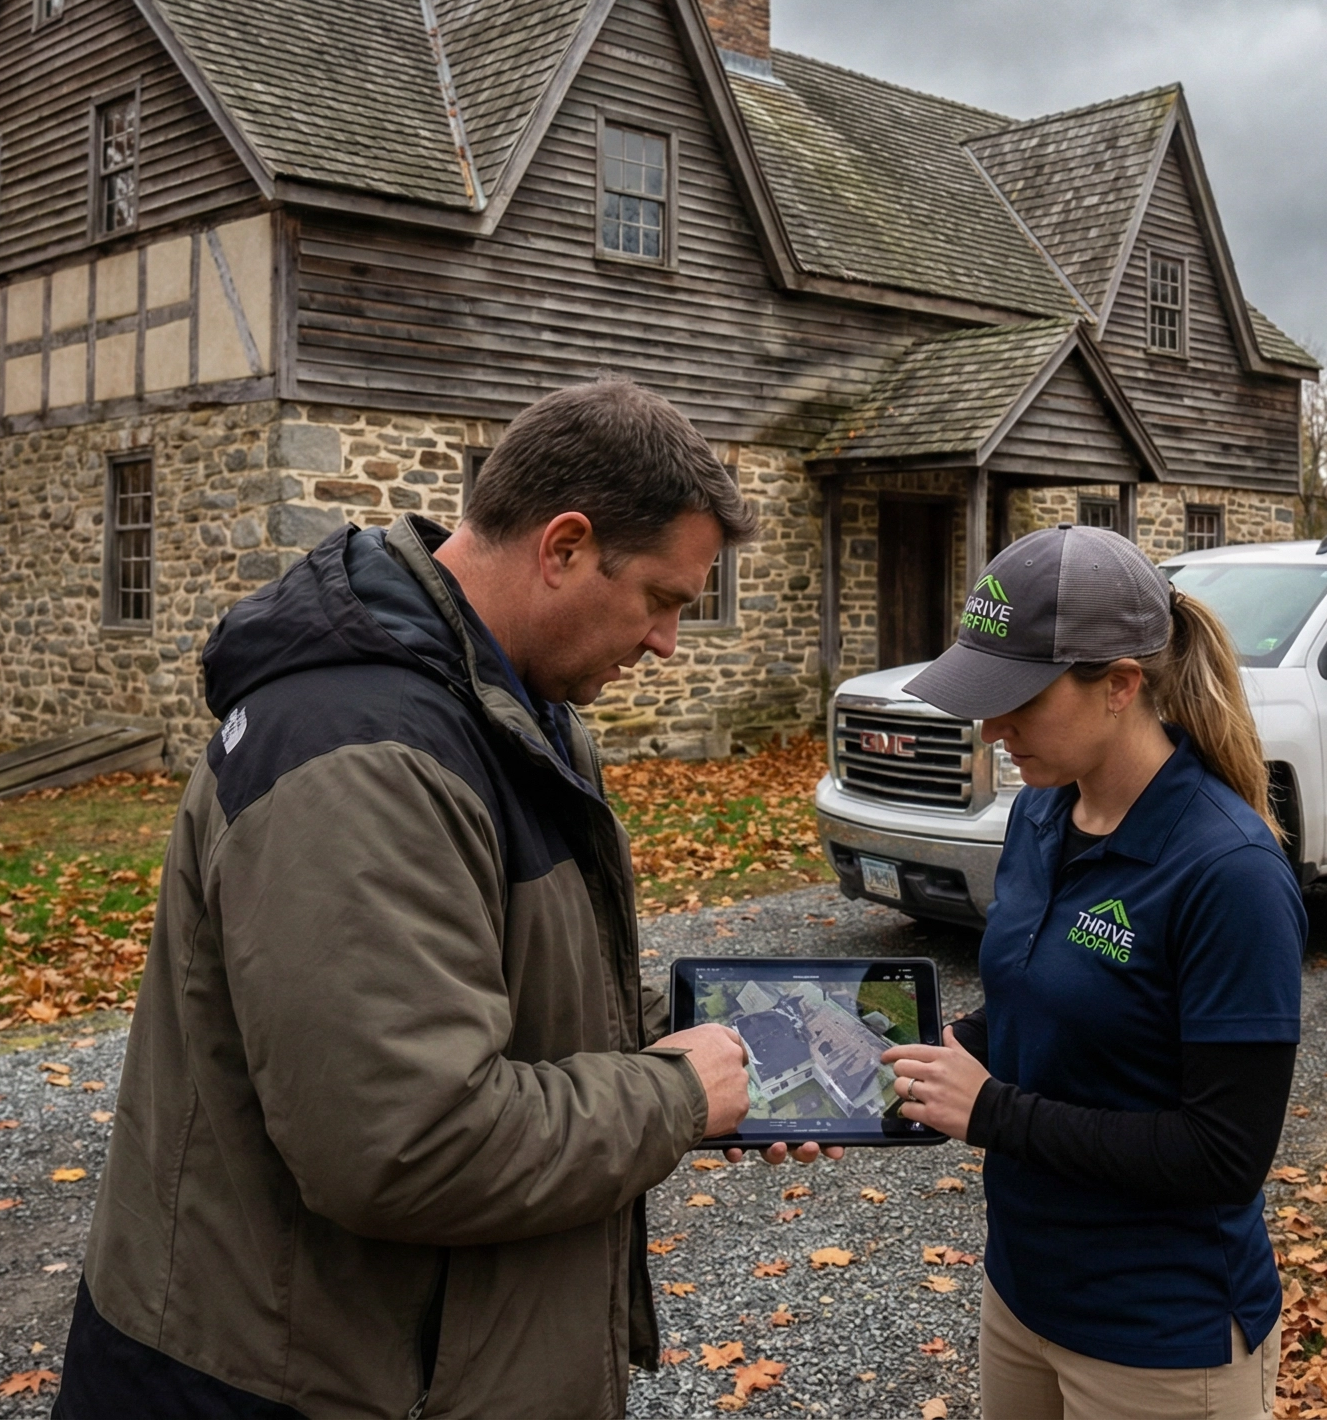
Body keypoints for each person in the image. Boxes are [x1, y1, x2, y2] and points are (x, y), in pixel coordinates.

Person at [56, 378, 823, 1420]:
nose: (666, 644)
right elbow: (405, 1140)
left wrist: (711, 1042)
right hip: (282, 1385)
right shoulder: (359, 752)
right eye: (662, 597)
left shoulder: (508, 708)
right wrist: (675, 1096)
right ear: (562, 546)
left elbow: (487, 991)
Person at [881, 524, 1306, 1420]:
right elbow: (1036, 1012)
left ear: (1119, 686)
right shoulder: (1041, 815)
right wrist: (904, 1061)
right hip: (1023, 1298)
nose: (993, 732)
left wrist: (991, 1111)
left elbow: (1224, 1154)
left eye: (1019, 703)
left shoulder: (1228, 872)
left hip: (1160, 1338)